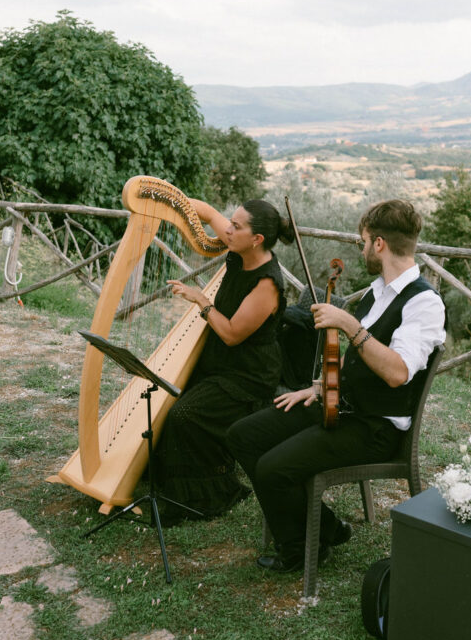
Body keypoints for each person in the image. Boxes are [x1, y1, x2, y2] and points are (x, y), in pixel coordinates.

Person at [226, 199, 446, 572]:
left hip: (374, 426)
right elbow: (353, 360)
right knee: (242, 436)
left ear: (378, 244)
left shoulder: (423, 303)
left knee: (272, 469)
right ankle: (328, 528)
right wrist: (316, 388)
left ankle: (299, 548)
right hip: (337, 403)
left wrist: (349, 325)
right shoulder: (379, 290)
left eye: (363, 242)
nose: (362, 250)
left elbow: (397, 372)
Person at [153, 196, 294, 523]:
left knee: (183, 413)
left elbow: (231, 334)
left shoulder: (266, 283)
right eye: (231, 222)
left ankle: (211, 489)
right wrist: (167, 203)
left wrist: (200, 300)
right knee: (165, 395)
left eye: (236, 226)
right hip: (221, 360)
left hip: (248, 374)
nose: (226, 230)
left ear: (256, 239)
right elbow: (204, 212)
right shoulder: (238, 244)